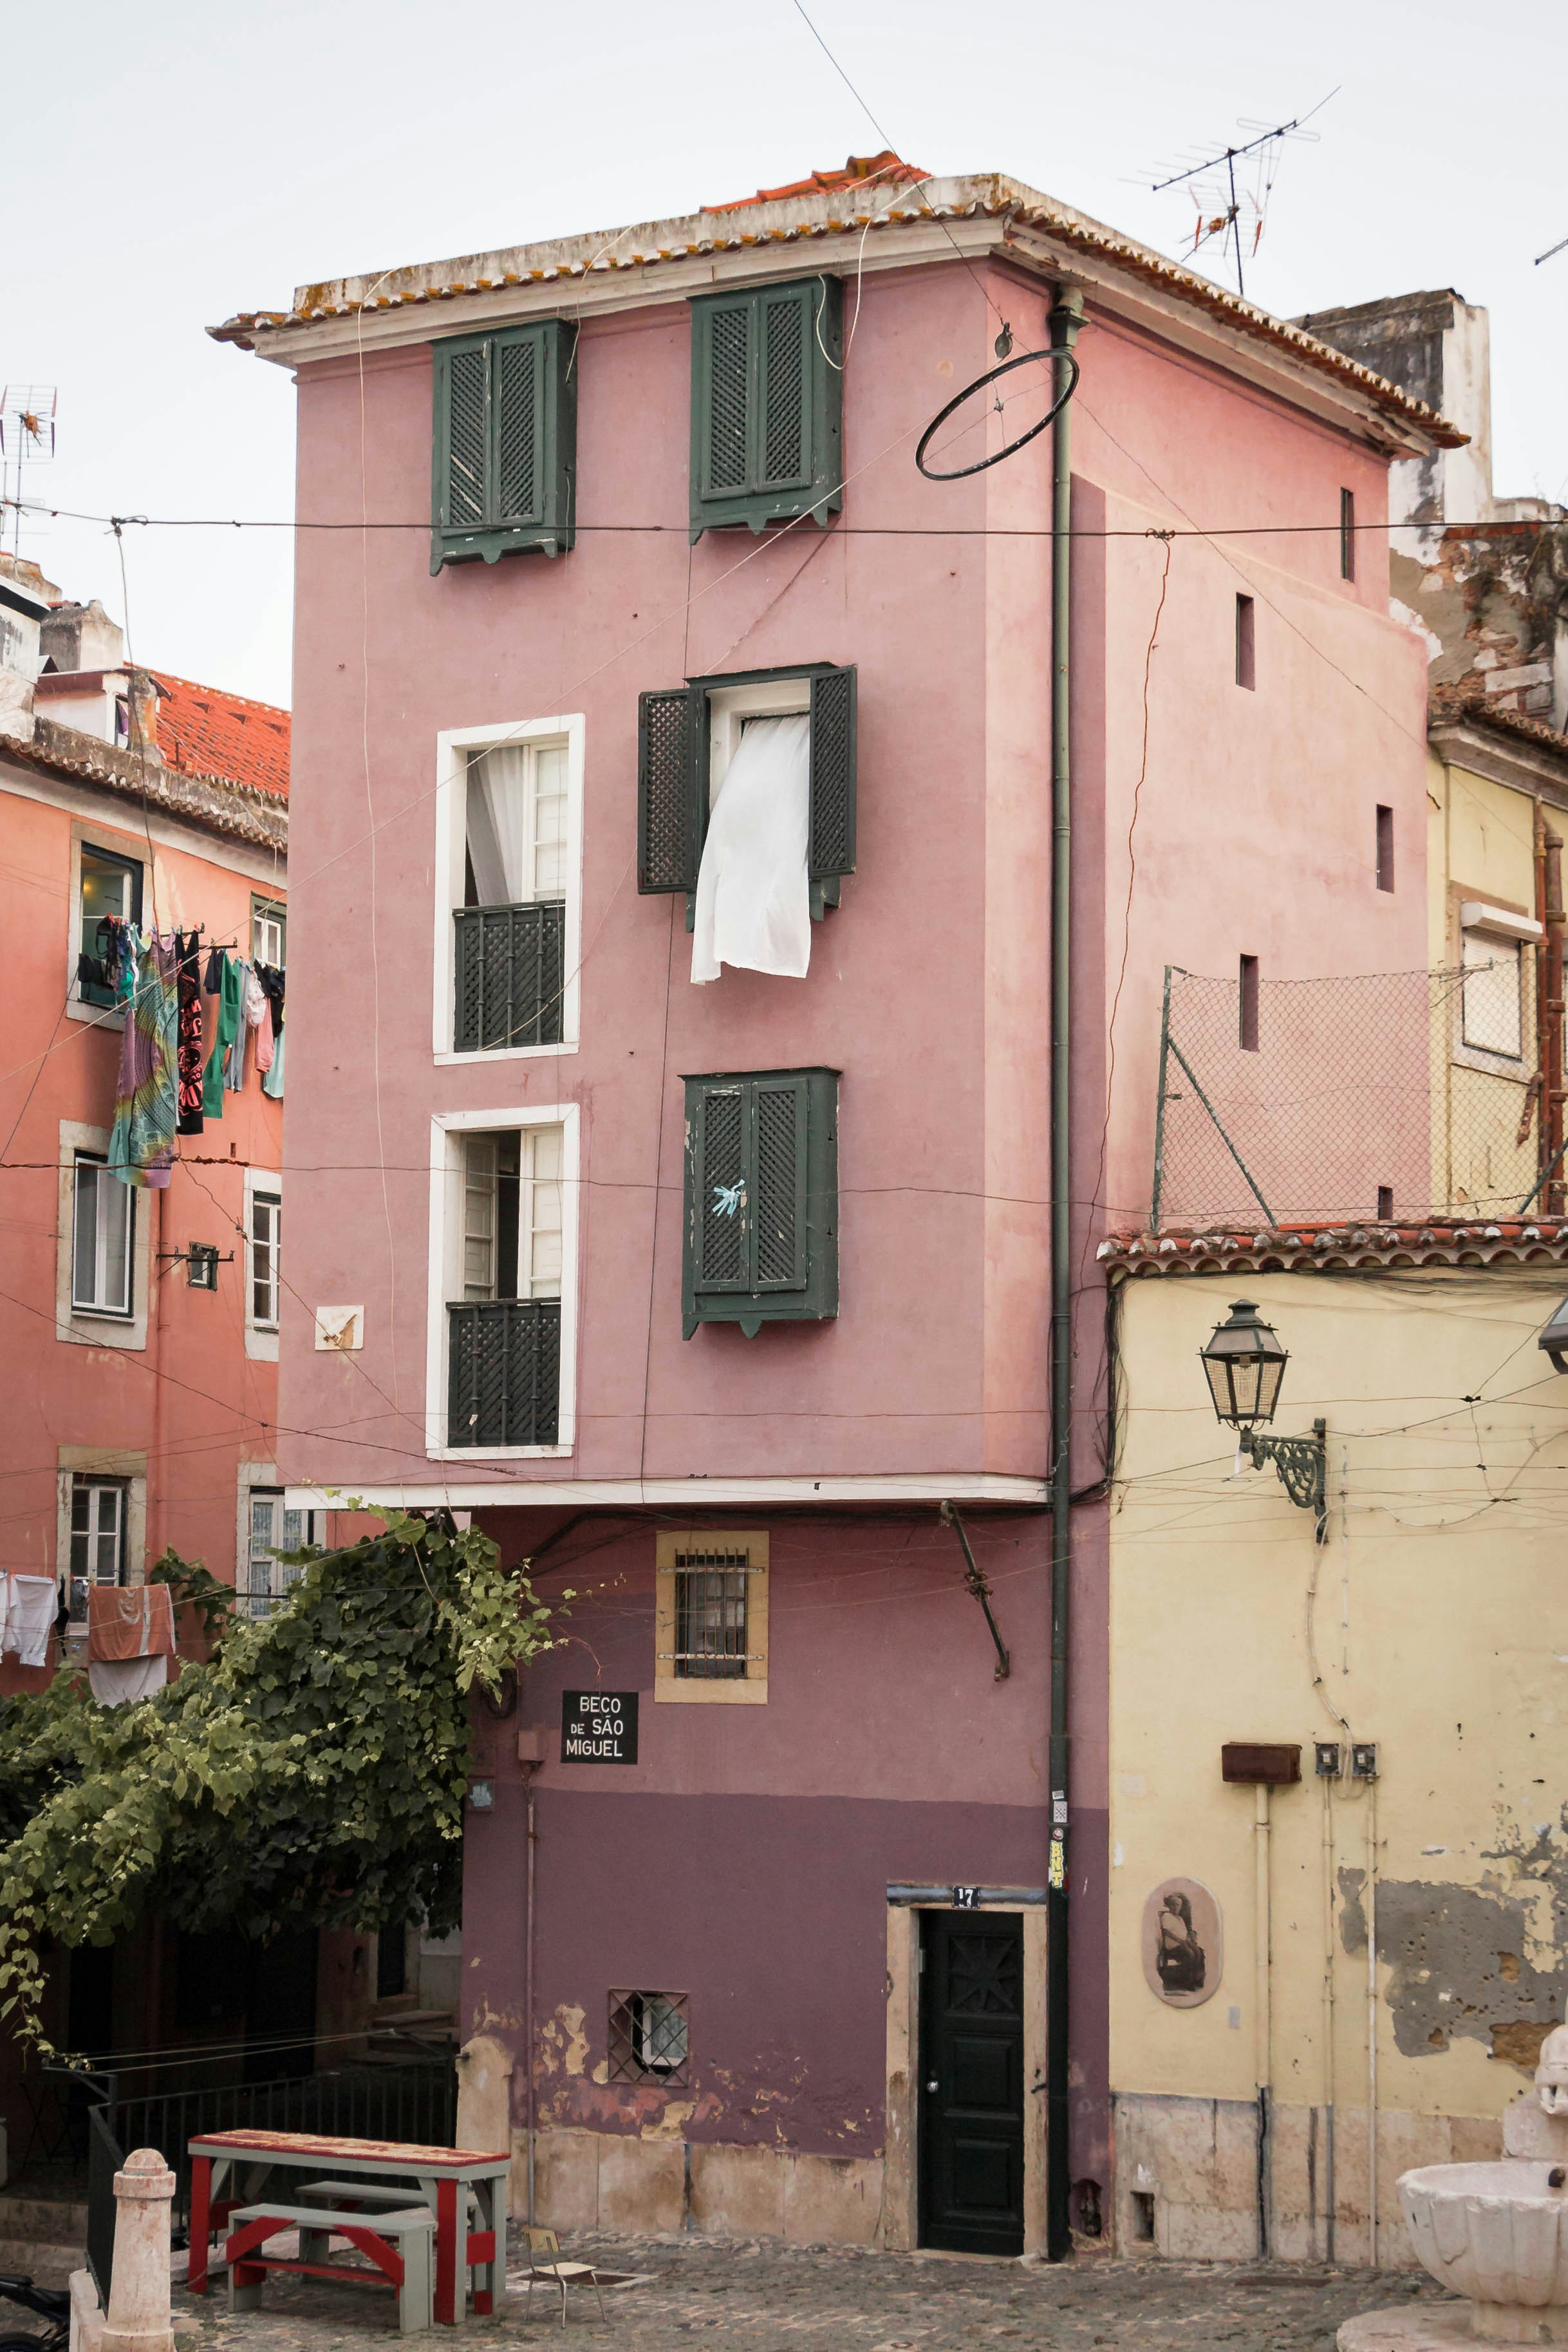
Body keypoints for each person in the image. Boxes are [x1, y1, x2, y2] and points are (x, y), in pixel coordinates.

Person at [1157, 1889, 1206, 1994]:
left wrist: (1190, 1941)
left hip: (1183, 1943)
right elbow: (1166, 1932)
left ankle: (1197, 1980)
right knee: (1190, 1954)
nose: (1176, 1907)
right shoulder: (1167, 1916)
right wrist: (1180, 1941)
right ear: (1170, 1906)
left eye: (1179, 1905)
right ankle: (1187, 1983)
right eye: (1174, 1905)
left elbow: (1185, 1934)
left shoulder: (1179, 1919)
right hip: (1173, 1946)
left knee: (1199, 1951)